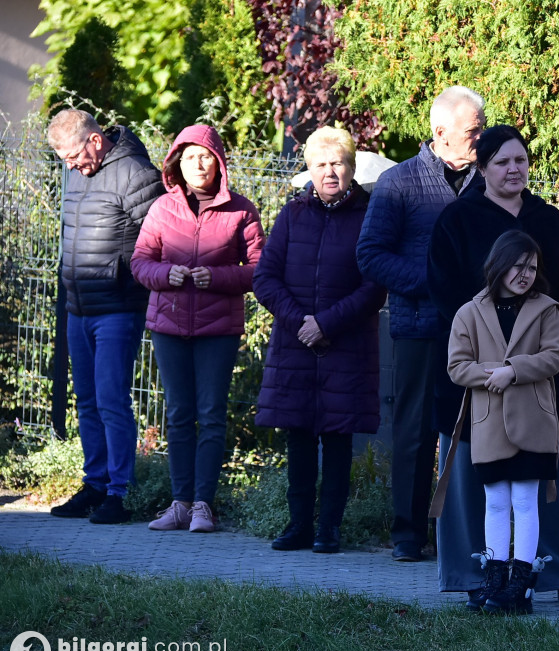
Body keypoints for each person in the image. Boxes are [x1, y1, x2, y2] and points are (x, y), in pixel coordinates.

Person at [429, 124, 559, 608]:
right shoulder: (457, 220)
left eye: (521, 160)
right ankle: (476, 577)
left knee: (555, 473)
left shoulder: (550, 221)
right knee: (473, 476)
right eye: (502, 162)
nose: (514, 169)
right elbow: (446, 295)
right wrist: (488, 358)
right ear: (482, 167)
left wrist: (528, 354)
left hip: (538, 378)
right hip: (476, 379)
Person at [356, 86, 485, 562]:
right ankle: (408, 535)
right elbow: (369, 255)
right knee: (414, 431)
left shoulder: (487, 181)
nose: (480, 136)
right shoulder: (400, 183)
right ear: (440, 133)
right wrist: (434, 285)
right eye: (474, 130)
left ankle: (461, 536)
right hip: (418, 326)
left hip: (478, 330)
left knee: (473, 430)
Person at [255, 127, 386, 554]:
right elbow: (265, 278)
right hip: (296, 345)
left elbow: (374, 286)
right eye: (320, 165)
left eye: (338, 164)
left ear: (351, 168)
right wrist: (301, 322)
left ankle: (329, 528)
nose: (329, 172)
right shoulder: (292, 215)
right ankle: (297, 525)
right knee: (298, 437)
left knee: (338, 439)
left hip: (346, 346)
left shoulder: (371, 216)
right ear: (308, 170)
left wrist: (326, 323)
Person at [131, 125, 265, 533]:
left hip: (218, 329)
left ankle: (204, 505)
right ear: (177, 164)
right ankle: (180, 504)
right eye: (190, 157)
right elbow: (139, 263)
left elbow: (261, 269)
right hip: (169, 326)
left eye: (206, 156)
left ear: (219, 162)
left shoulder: (241, 210)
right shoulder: (161, 209)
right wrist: (166, 273)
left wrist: (219, 277)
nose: (198, 164)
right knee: (179, 414)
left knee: (210, 415)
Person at [435, 231, 559, 615]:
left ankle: (521, 586)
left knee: (525, 501)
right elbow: (457, 367)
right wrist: (494, 372)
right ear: (499, 265)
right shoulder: (469, 312)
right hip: (489, 424)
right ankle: (494, 580)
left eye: (531, 267)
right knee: (495, 502)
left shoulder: (546, 309)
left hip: (534, 422)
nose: (524, 274)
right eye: (517, 265)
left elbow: (553, 358)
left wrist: (514, 370)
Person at [46, 109, 164, 524]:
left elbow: (157, 240)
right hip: (78, 307)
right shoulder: (77, 171)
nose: (71, 166)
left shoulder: (136, 173)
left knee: (112, 401)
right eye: (64, 160)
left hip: (118, 307)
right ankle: (94, 484)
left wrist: (126, 279)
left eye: (74, 156)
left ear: (95, 140)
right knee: (88, 402)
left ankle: (119, 493)